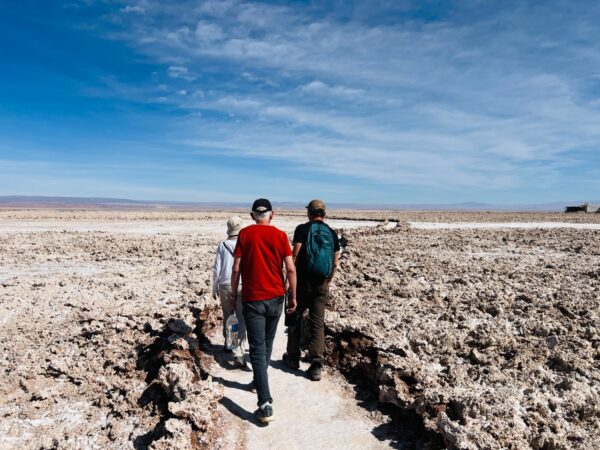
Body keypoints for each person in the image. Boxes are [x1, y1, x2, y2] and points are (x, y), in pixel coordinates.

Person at [231, 198, 297, 424]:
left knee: (258, 348)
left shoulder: (245, 234)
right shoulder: (280, 236)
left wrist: (233, 295)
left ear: (252, 216)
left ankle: (265, 402)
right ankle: (259, 382)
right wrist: (293, 296)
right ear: (273, 214)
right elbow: (290, 268)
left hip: (252, 299)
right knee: (266, 344)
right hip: (276, 298)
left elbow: (236, 267)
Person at [284, 199, 340, 381]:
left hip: (301, 282)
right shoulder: (332, 233)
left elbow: (295, 255)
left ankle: (292, 358)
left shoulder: (302, 229)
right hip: (322, 283)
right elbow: (335, 261)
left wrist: (289, 281)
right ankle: (316, 364)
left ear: (309, 213)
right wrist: (328, 281)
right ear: (324, 214)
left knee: (295, 316)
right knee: (317, 323)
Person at [212, 216, 247, 368]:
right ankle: (239, 350)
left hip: (225, 284)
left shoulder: (222, 245)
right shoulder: (246, 244)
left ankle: (230, 345)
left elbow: (216, 268)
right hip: (242, 284)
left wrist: (214, 287)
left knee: (229, 316)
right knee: (241, 317)